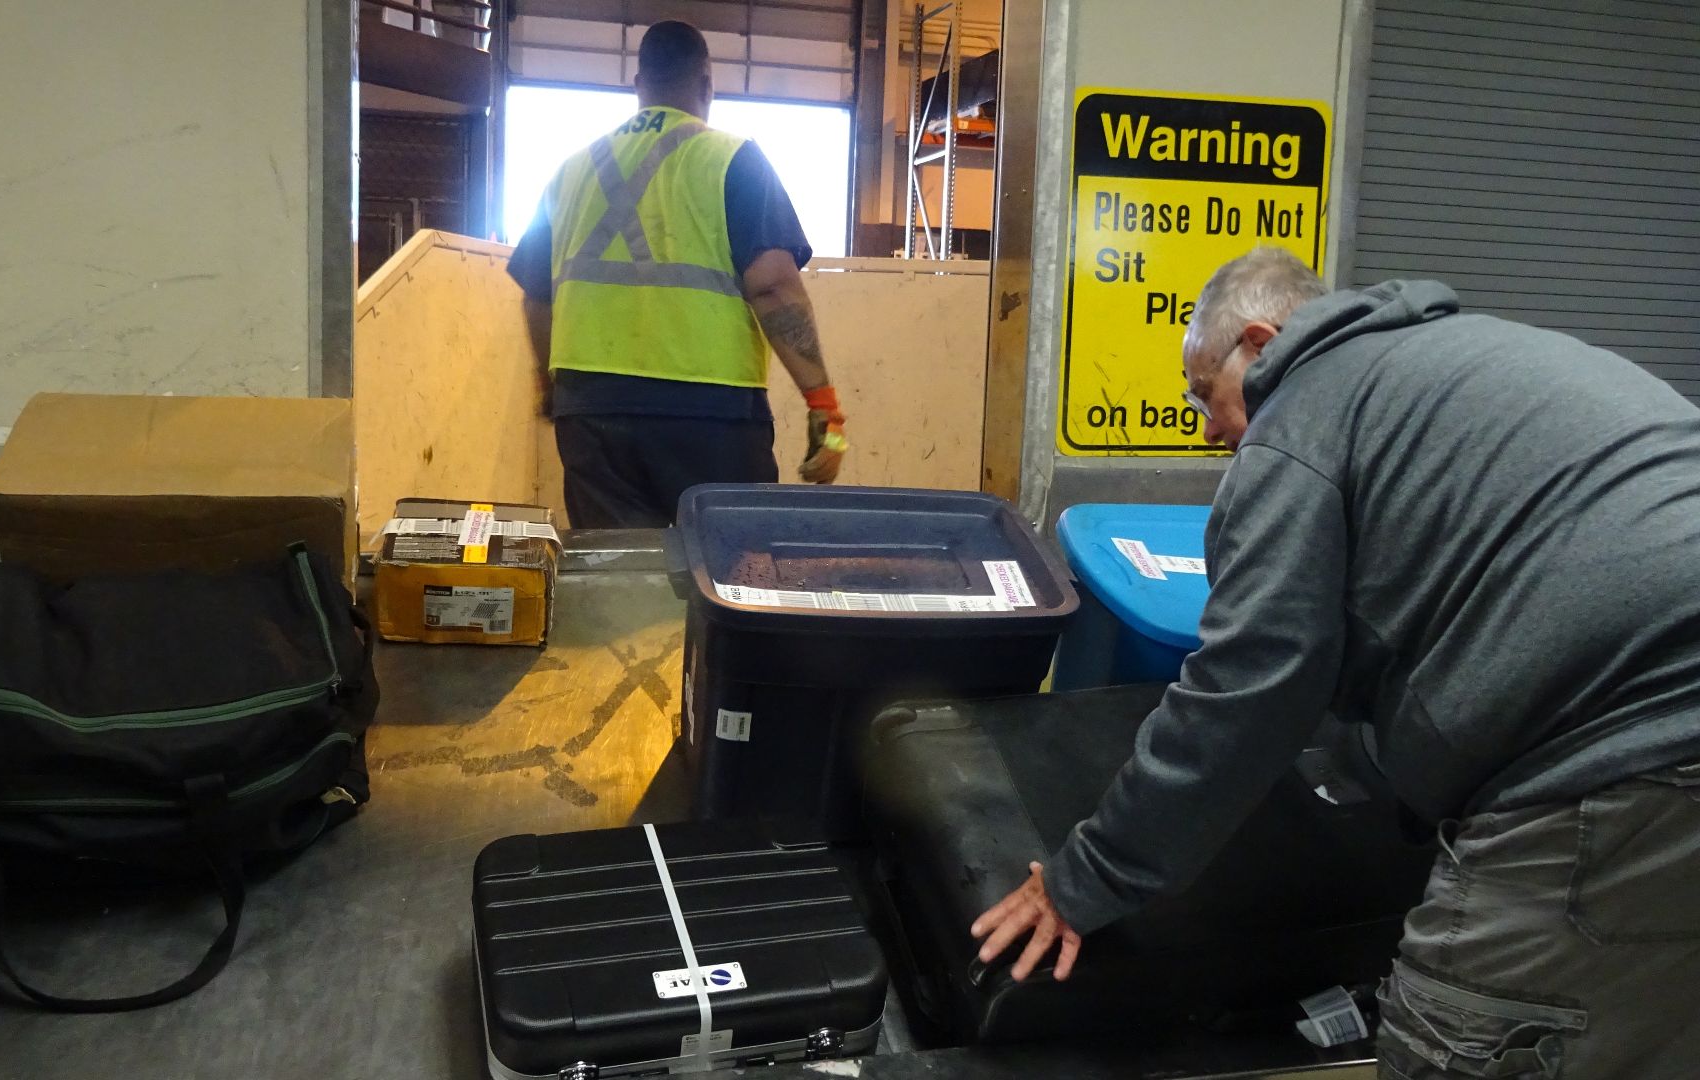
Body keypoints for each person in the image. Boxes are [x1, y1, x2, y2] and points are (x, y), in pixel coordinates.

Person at [971, 247, 1700, 1078]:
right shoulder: (1461, 359)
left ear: (1258, 343)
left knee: (1468, 1036)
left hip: (1633, 739)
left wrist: (1083, 879)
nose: (1209, 431)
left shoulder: (1303, 414)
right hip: (1659, 719)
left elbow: (1249, 683)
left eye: (1204, 396)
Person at [505, 20, 847, 529]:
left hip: (592, 411)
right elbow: (774, 287)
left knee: (620, 577)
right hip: (709, 412)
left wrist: (550, 386)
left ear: (638, 86)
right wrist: (823, 404)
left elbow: (536, 298)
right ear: (707, 84)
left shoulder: (571, 170)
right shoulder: (733, 160)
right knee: (733, 572)